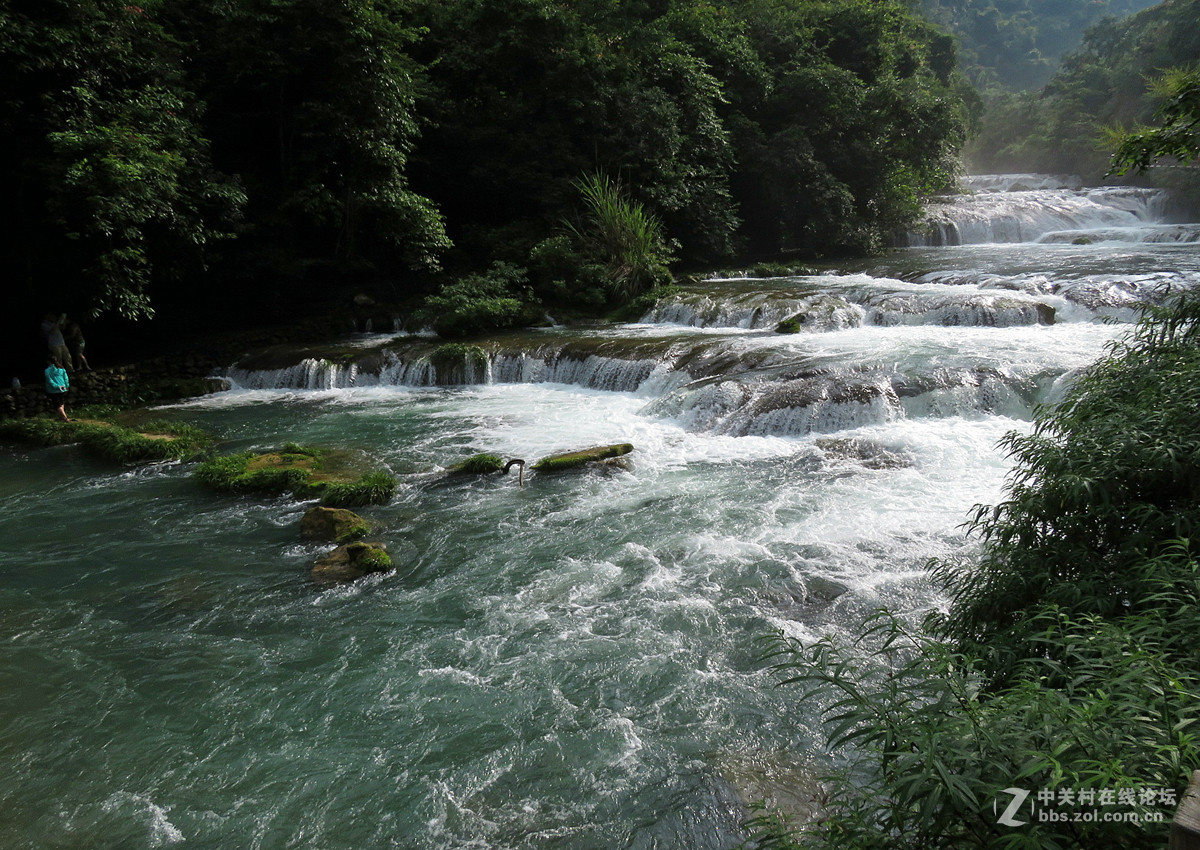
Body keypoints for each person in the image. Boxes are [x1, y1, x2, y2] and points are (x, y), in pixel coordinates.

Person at [44, 357, 70, 422]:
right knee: (61, 402)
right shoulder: (61, 368)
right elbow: (66, 378)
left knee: (57, 404)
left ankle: (65, 418)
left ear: (48, 362)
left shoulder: (47, 371)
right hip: (63, 388)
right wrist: (66, 385)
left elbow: (50, 381)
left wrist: (57, 386)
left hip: (53, 390)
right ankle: (62, 417)